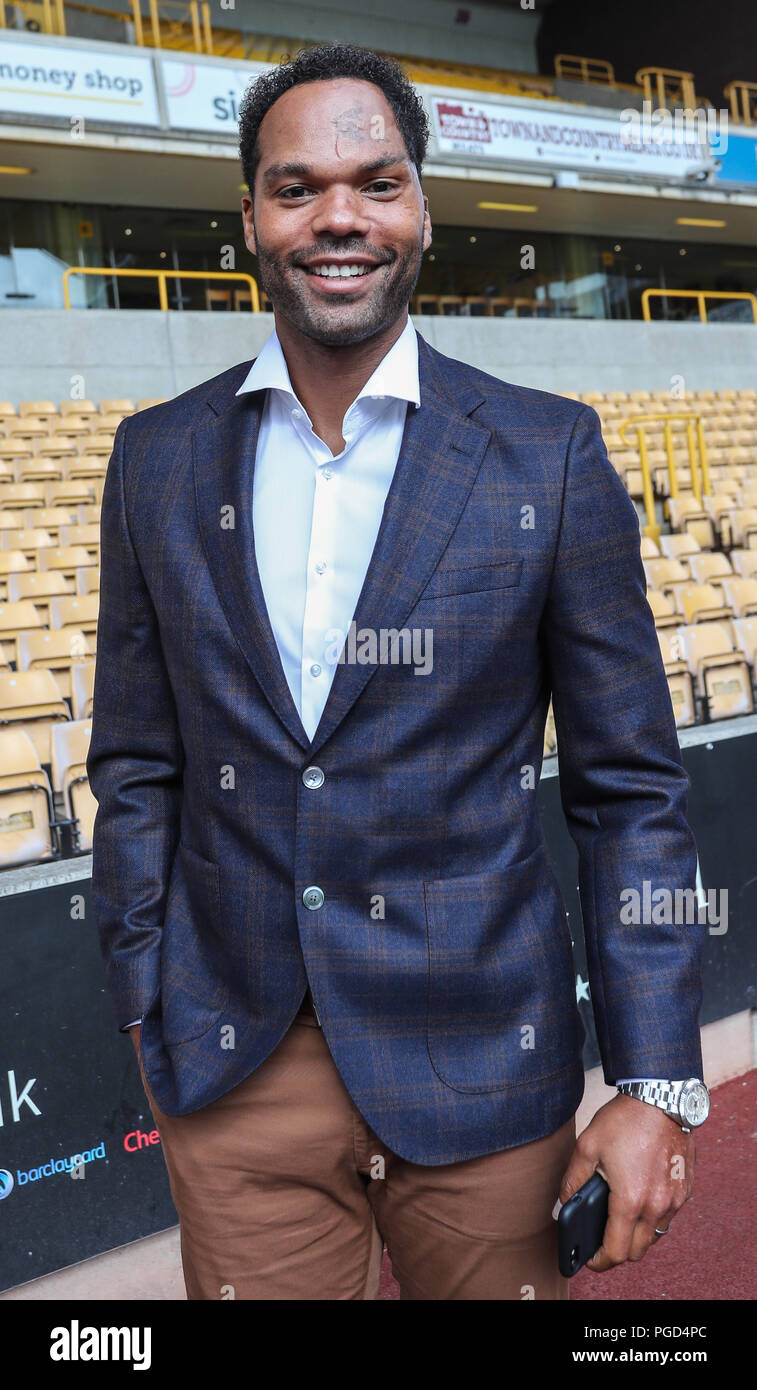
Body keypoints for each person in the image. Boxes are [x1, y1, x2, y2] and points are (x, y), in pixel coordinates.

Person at [87, 43, 708, 1302]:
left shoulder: (548, 456)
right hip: (236, 1067)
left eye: (376, 182)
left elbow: (632, 789)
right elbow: (137, 763)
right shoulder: (154, 459)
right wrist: (144, 992)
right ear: (250, 219)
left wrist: (652, 1077)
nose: (339, 217)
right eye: (297, 185)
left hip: (487, 1064)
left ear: (422, 208)